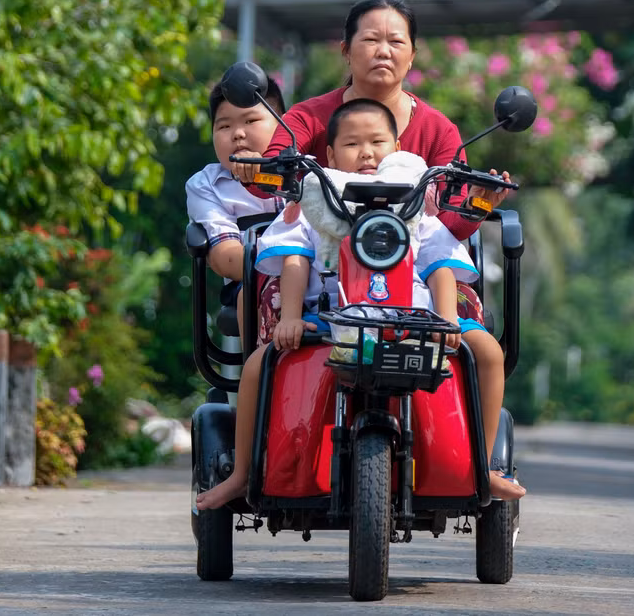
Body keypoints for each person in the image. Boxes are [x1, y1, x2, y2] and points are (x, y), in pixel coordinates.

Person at [195, 99, 526, 511]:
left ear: (399, 148)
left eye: (377, 142)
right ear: (330, 155)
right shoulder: (313, 204)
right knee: (258, 365)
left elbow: (441, 263)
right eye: (352, 143)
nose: (367, 152)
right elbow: (295, 261)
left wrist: (446, 321)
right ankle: (243, 473)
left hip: (418, 320)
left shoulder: (415, 206)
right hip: (328, 317)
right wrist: (292, 317)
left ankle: (485, 466)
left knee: (490, 353)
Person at [254, 0, 510, 241]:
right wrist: (254, 169)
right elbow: (269, 176)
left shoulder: (439, 131)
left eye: (396, 42)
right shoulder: (306, 116)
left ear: (412, 57)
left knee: (459, 287)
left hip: (417, 271)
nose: (384, 52)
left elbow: (450, 226)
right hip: (321, 265)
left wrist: (477, 205)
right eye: (371, 40)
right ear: (346, 51)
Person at [184, 77, 287, 333]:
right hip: (250, 284)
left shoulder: (307, 171)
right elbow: (226, 259)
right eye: (224, 126)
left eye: (251, 121)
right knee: (264, 298)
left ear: (284, 124)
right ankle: (260, 368)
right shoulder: (206, 185)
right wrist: (292, 270)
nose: (238, 133)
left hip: (319, 281)